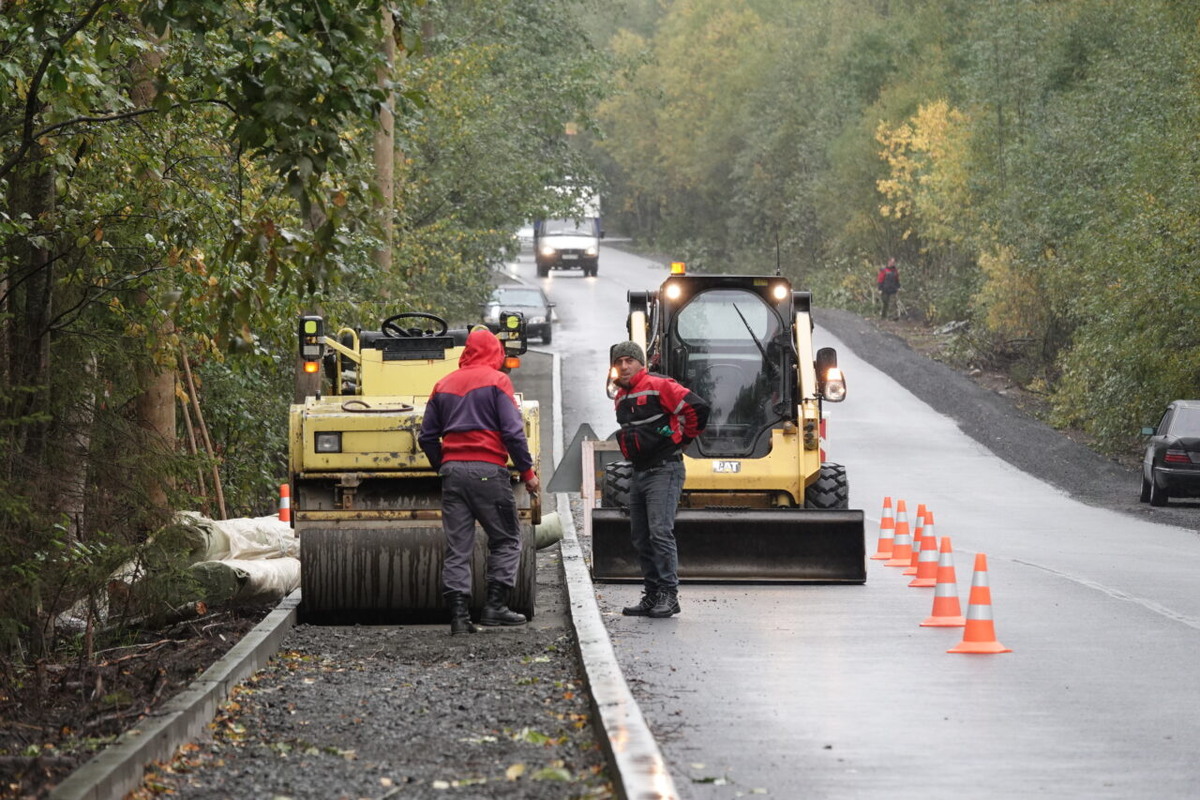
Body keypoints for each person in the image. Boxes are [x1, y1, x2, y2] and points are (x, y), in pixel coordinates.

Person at [419, 328, 540, 635]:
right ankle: (495, 608)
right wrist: (528, 473)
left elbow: (427, 436)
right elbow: (513, 433)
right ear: (494, 353)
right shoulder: (498, 381)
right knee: (507, 538)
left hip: (453, 474)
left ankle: (459, 618)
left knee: (458, 547)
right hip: (487, 470)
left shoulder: (443, 384)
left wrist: (444, 465)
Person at [609, 341, 710, 618]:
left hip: (665, 470)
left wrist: (683, 439)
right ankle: (652, 595)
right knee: (641, 537)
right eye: (619, 362)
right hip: (640, 472)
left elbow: (698, 408)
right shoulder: (620, 396)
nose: (624, 366)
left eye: (630, 360)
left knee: (659, 532)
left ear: (642, 363)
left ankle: (669, 594)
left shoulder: (660, 385)